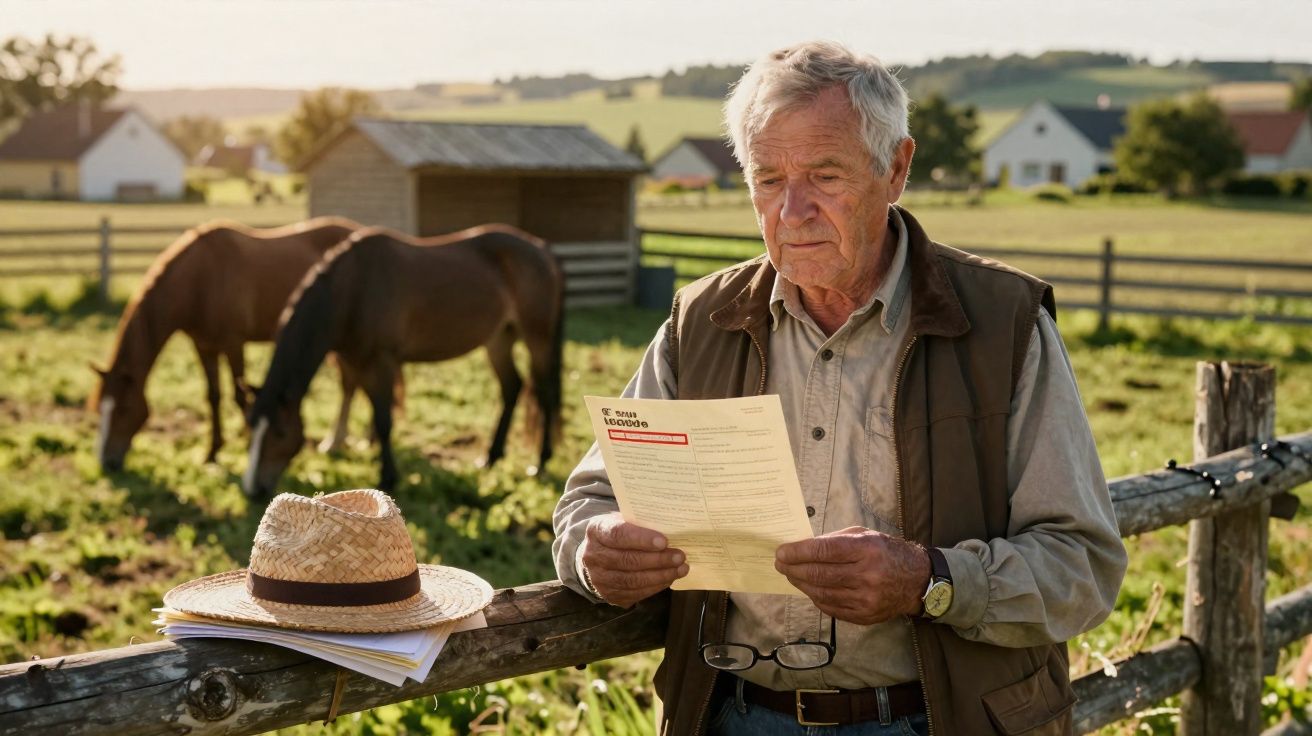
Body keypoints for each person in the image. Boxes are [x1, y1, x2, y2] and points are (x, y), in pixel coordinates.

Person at [553, 41, 1126, 736]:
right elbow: (590, 500)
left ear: (897, 168)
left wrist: (929, 581)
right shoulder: (699, 321)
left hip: (929, 721)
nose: (793, 210)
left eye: (825, 175)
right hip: (729, 716)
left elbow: (1083, 566)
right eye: (767, 180)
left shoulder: (1002, 323)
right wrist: (594, 550)